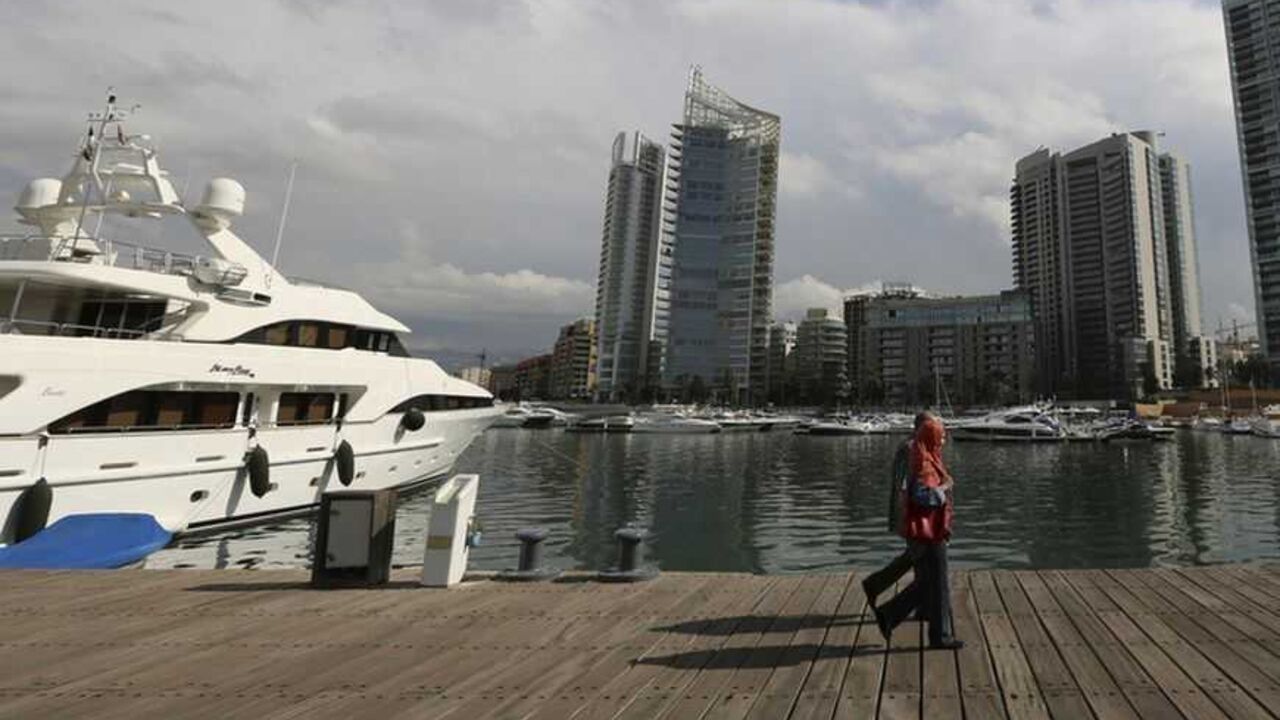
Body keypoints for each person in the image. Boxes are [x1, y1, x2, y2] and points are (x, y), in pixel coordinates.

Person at [873, 414, 963, 650]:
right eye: (940, 436)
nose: (943, 440)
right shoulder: (924, 463)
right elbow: (921, 496)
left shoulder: (924, 456)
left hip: (930, 530)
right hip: (930, 532)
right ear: (930, 436)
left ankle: (889, 615)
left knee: (929, 582)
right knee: (938, 583)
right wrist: (944, 488)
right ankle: (940, 636)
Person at [860, 411, 932, 606]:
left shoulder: (917, 446)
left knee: (918, 555)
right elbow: (904, 484)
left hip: (916, 510)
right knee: (920, 555)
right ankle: (876, 586)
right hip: (911, 510)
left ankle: (876, 585)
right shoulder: (910, 448)